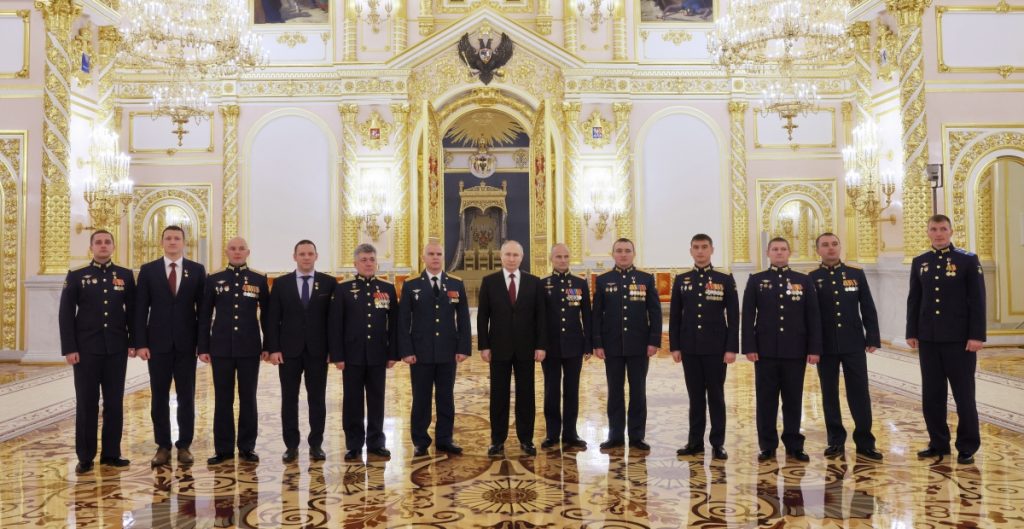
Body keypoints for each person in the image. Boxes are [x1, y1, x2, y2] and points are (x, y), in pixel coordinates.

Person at [907, 214, 986, 464]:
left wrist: (976, 335)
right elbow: (914, 299)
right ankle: (938, 442)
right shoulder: (920, 261)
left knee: (964, 395)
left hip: (959, 340)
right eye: (934, 229)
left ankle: (967, 446)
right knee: (932, 395)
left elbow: (977, 300)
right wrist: (911, 331)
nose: (938, 233)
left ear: (951, 231)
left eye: (943, 229)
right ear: (928, 232)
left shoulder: (967, 260)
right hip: (929, 339)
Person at [58, 230, 135, 474]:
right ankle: (85, 456)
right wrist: (70, 348)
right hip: (86, 350)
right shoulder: (77, 275)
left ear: (113, 246)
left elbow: (133, 311)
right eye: (98, 242)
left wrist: (133, 341)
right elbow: (66, 314)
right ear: (91, 247)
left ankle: (111, 453)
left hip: (116, 348)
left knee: (114, 402)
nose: (103, 246)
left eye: (107, 242)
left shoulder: (124, 275)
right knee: (87, 403)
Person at [742, 237, 821, 463]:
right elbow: (748, 316)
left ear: (789, 253)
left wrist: (814, 348)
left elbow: (812, 316)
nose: (779, 252)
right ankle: (767, 445)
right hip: (765, 351)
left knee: (793, 399)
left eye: (783, 249)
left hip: (795, 351)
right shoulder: (757, 280)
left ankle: (794, 445)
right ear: (768, 253)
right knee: (766, 400)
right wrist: (749, 346)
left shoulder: (803, 280)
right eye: (775, 249)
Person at [134, 225, 206, 467]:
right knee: (159, 396)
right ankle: (162, 445)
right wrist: (140, 343)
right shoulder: (148, 270)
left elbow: (203, 312)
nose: (172, 242)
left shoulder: (197, 270)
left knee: (187, 395)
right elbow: (140, 309)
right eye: (168, 238)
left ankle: (184, 444)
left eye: (177, 238)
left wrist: (202, 344)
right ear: (162, 242)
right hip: (157, 344)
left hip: (187, 344)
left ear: (184, 242)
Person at [809, 233, 884, 461]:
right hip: (826, 346)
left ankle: (865, 442)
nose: (831, 248)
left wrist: (872, 337)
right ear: (818, 250)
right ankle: (835, 441)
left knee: (859, 392)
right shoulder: (812, 278)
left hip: (853, 343)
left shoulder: (855, 274)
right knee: (829, 393)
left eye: (834, 244)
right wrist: (812, 346)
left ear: (840, 247)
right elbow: (810, 316)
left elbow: (867, 307)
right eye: (825, 245)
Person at [197, 237, 269, 465]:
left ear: (248, 252)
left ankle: (247, 447)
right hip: (221, 349)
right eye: (233, 249)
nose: (237, 252)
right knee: (223, 399)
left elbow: (267, 316)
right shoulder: (214, 279)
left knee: (248, 398)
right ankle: (223, 449)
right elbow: (204, 316)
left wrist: (268, 346)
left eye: (241, 249)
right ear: (226, 251)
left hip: (249, 349)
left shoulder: (258, 279)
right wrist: (203, 347)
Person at [265, 240, 336, 463]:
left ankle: (316, 444)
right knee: (289, 399)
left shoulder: (329, 283)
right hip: (288, 352)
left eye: (310, 254)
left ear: (316, 256)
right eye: (302, 254)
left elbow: (333, 320)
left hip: (318, 351)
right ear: (294, 256)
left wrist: (333, 350)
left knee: (317, 399)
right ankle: (291, 445)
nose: (306, 257)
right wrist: (273, 348)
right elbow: (272, 319)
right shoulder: (281, 283)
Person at [398, 241, 472, 457]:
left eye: (439, 254)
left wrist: (464, 347)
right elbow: (403, 321)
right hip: (420, 352)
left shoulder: (456, 284)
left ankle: (445, 439)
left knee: (446, 397)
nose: (435, 257)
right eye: (431, 254)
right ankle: (420, 440)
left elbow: (463, 318)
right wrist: (406, 350)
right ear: (423, 258)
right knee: (421, 398)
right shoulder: (411, 285)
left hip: (447, 351)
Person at [669, 234, 738, 461]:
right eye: (696, 247)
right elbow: (675, 316)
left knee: (716, 397)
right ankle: (695, 442)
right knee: (695, 397)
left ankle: (718, 443)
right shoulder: (682, 280)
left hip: (716, 348)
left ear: (712, 250)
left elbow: (733, 316)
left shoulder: (724, 279)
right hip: (690, 348)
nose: (700, 251)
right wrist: (675, 346)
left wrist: (731, 348)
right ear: (691, 251)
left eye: (704, 247)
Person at [477, 240, 547, 457]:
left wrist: (541, 345)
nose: (511, 258)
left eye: (515, 255)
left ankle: (526, 439)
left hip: (527, 348)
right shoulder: (489, 282)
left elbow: (541, 317)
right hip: (499, 348)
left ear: (521, 257)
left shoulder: (534, 282)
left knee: (526, 395)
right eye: (507, 254)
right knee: (498, 395)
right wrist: (484, 346)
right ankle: (497, 440)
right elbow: (482, 316)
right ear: (501, 256)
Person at [330, 243, 399, 461]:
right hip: (352, 355)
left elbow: (394, 325)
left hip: (378, 354)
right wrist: (337, 355)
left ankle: (376, 442)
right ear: (355, 264)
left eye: (372, 259)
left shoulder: (387, 288)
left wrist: (393, 353)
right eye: (364, 260)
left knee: (377, 399)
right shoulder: (343, 289)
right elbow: (335, 325)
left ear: (376, 262)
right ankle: (353, 444)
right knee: (352, 401)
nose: (368, 263)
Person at [593, 238, 662, 451]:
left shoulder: (645, 279)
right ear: (613, 254)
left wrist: (653, 341)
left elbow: (655, 312)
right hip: (612, 345)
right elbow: (597, 315)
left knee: (638, 392)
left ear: (634, 254)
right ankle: (615, 435)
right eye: (619, 251)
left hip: (639, 346)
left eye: (627, 251)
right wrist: (598, 343)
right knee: (614, 392)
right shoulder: (603, 280)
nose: (623, 254)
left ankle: (636, 436)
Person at [540, 243, 591, 450]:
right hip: (550, 347)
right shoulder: (543, 284)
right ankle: (552, 434)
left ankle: (570, 433)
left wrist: (588, 344)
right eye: (558, 256)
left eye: (566, 256)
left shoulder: (580, 283)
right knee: (551, 391)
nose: (562, 260)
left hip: (574, 345)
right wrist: (539, 345)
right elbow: (538, 318)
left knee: (572, 390)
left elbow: (587, 315)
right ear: (551, 259)